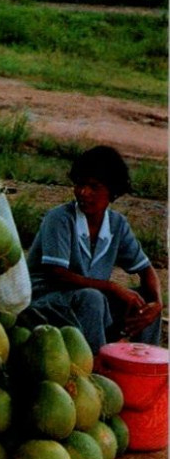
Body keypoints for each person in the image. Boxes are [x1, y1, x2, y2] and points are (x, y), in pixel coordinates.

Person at [23, 145, 163, 354]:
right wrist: (111, 287)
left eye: (94, 186)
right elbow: (58, 274)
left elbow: (146, 270)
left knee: (146, 305)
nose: (83, 192)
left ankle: (144, 367)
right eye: (80, 184)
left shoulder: (117, 225)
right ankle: (96, 368)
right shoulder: (59, 219)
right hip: (45, 303)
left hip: (88, 304)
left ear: (112, 192)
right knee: (92, 298)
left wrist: (157, 304)